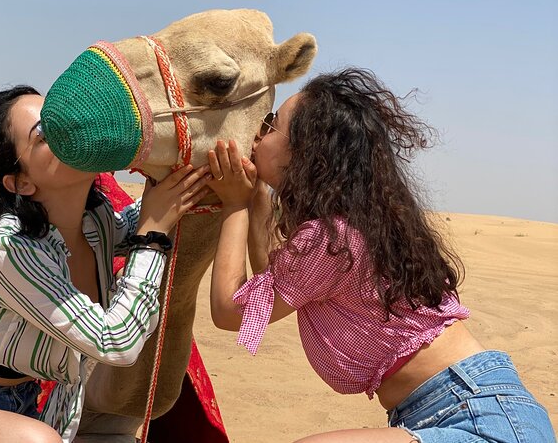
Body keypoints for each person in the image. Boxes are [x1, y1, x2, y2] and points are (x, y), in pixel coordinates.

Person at [205, 69, 555, 442]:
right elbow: (269, 286)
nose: (259, 130)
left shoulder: (332, 238)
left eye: (272, 123)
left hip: (476, 416)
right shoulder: (353, 227)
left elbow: (231, 310)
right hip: (473, 406)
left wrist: (234, 205)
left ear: (306, 153)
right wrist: (256, 195)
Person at [0, 85, 212, 443]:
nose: (65, 131)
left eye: (63, 119)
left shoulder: (97, 221)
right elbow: (115, 342)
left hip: (18, 406)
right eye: (44, 134)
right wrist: (152, 237)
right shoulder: (6, 248)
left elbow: (154, 211)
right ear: (21, 181)